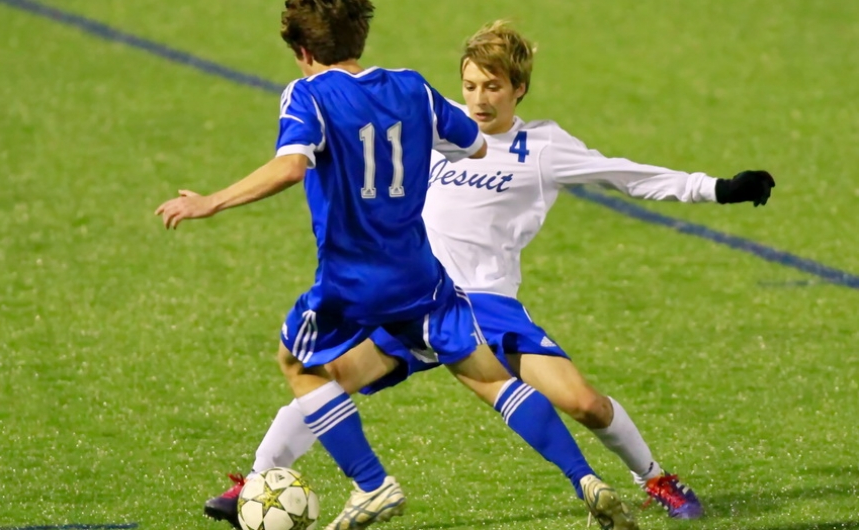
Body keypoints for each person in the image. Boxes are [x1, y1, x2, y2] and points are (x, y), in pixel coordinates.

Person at [204, 19, 777, 524]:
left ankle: (653, 478)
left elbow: (628, 176)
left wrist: (717, 189)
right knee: (329, 376)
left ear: (518, 88)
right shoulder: (436, 127)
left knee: (583, 403)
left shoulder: (544, 147)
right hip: (417, 294)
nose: (479, 100)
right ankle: (254, 482)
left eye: (493, 87)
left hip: (488, 303)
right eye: (471, 85)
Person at [158, 4, 639, 530]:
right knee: (491, 379)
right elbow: (477, 147)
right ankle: (585, 477)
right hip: (421, 277)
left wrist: (212, 201)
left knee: (298, 363)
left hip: (352, 281)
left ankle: (371, 484)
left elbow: (291, 166)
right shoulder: (412, 86)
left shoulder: (307, 94)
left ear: (303, 50)